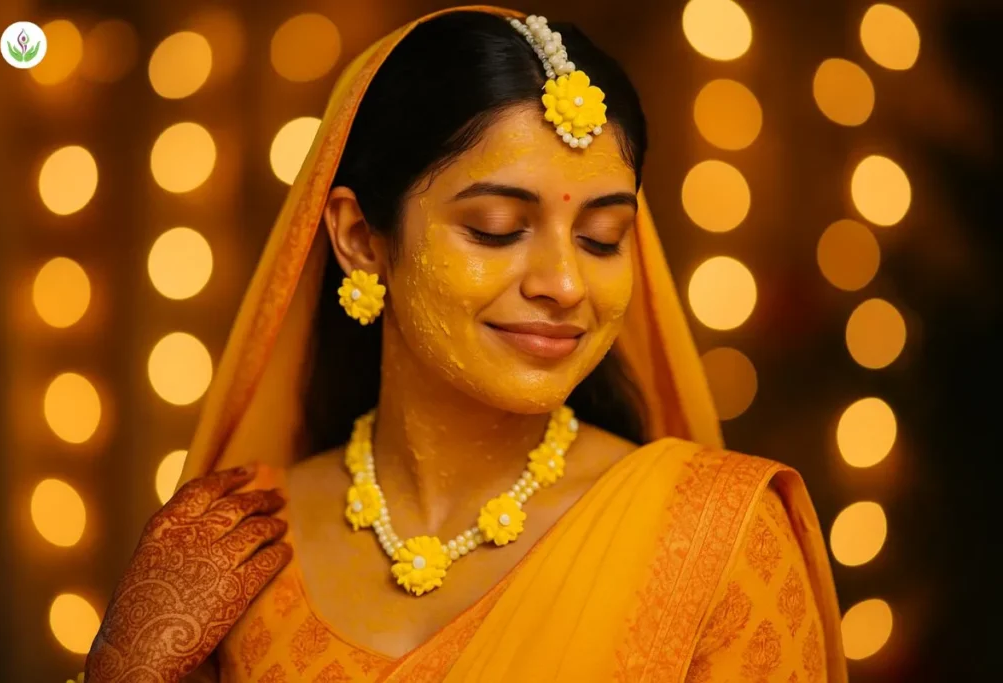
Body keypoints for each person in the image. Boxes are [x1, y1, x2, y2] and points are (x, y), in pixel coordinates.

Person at [83, 6, 846, 682]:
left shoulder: (720, 539)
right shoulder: (236, 543)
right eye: (496, 229)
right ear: (360, 237)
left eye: (601, 237)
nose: (564, 283)